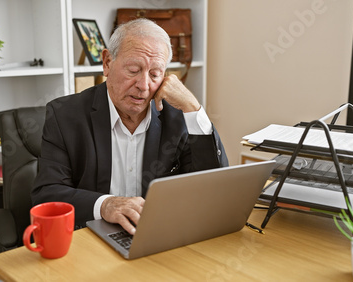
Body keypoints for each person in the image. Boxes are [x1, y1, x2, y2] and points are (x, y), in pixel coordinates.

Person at [32, 18, 228, 235]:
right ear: (107, 62)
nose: (144, 86)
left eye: (155, 74)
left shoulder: (178, 117)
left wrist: (194, 109)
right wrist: (105, 205)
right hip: (89, 239)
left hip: (156, 236)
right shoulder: (65, 115)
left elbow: (214, 190)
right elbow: (47, 194)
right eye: (134, 70)